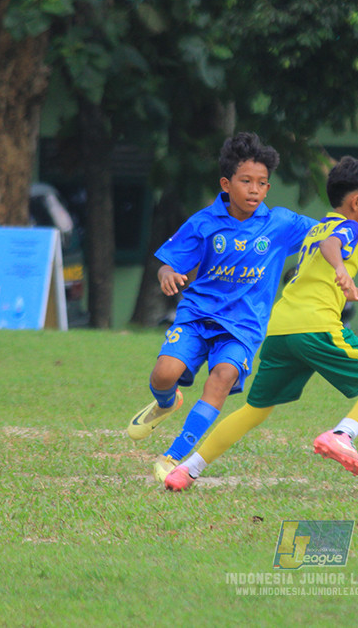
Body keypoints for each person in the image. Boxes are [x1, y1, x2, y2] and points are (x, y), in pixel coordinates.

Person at [163, 155, 358, 491]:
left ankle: (187, 469)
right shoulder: (345, 230)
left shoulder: (320, 227)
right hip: (315, 327)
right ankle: (342, 434)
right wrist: (340, 267)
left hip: (280, 330)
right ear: (356, 202)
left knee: (255, 409)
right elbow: (334, 247)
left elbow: (330, 282)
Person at [126, 132, 318, 481]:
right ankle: (167, 402)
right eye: (246, 181)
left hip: (243, 327)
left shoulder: (281, 224)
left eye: (262, 183)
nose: (254, 189)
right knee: (165, 374)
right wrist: (167, 275)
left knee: (223, 376)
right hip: (197, 316)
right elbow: (169, 263)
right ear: (226, 184)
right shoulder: (203, 223)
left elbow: (329, 234)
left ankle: (175, 457)